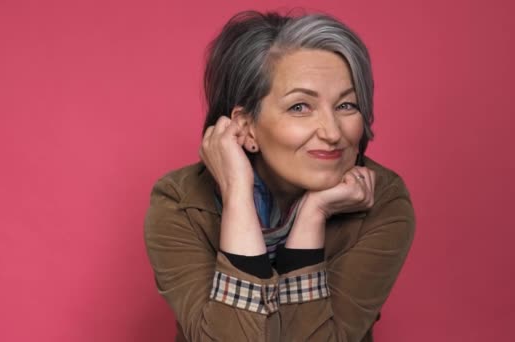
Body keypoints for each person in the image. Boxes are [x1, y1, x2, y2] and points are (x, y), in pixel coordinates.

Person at [144, 10, 415, 342]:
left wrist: (312, 217)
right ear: (246, 126)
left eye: (347, 105)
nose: (332, 132)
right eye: (300, 107)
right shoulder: (179, 203)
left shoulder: (383, 200)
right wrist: (237, 194)